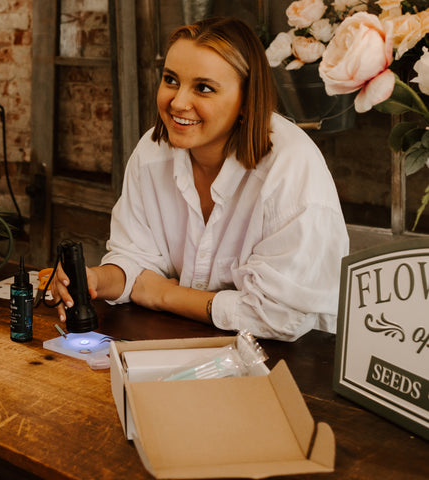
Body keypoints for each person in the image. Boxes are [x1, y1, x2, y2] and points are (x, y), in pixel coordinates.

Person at [51, 16, 349, 341]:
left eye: (203, 88)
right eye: (171, 80)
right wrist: (93, 279)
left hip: (300, 364)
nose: (178, 102)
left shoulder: (291, 166)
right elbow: (137, 259)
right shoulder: (152, 152)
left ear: (247, 100)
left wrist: (165, 295)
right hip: (194, 346)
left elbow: (279, 316)